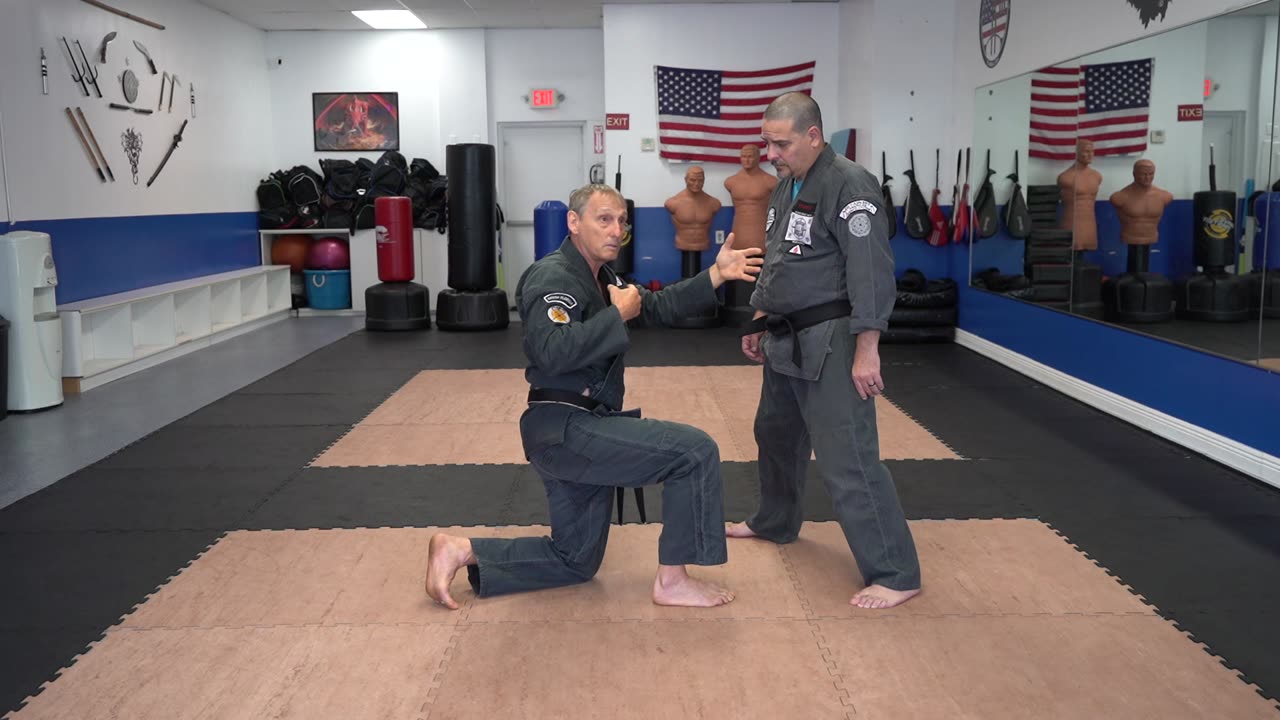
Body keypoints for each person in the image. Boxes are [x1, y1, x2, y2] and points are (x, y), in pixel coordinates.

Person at [425, 183, 764, 610]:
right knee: (694, 451)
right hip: (565, 428)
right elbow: (551, 351)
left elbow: (653, 305)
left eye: (622, 222)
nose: (615, 230)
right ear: (573, 222)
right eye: (604, 219)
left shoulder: (604, 277)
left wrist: (714, 275)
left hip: (582, 427)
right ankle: (673, 581)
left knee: (575, 561)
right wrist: (617, 314)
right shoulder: (554, 277)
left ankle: (460, 550)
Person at [726, 92, 922, 610]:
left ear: (814, 136)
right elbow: (779, 260)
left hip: (834, 340)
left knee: (847, 457)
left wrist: (868, 348)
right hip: (784, 337)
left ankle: (896, 571)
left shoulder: (850, 184)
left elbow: (871, 272)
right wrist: (760, 317)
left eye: (781, 142)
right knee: (775, 433)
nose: (771, 151)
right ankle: (775, 519)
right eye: (767, 141)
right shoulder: (788, 184)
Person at [1110, 159, 1173, 274]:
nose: (1147, 178)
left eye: (1151, 174)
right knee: (1133, 274)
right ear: (1134, 174)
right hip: (1130, 236)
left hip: (1152, 236)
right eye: (1143, 174)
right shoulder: (1120, 197)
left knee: (1144, 275)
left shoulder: (1164, 196)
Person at [1057, 138, 1103, 252]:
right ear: (1077, 152)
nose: (1090, 155)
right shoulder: (1065, 177)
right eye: (1086, 151)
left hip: (1090, 223)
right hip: (1072, 222)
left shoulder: (1097, 176)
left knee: (1086, 252)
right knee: (1073, 252)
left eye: (1092, 151)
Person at [665, 165, 722, 254]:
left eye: (700, 180)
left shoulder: (714, 203)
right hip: (682, 244)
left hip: (704, 243)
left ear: (704, 180)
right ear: (685, 180)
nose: (696, 184)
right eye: (692, 180)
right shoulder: (673, 203)